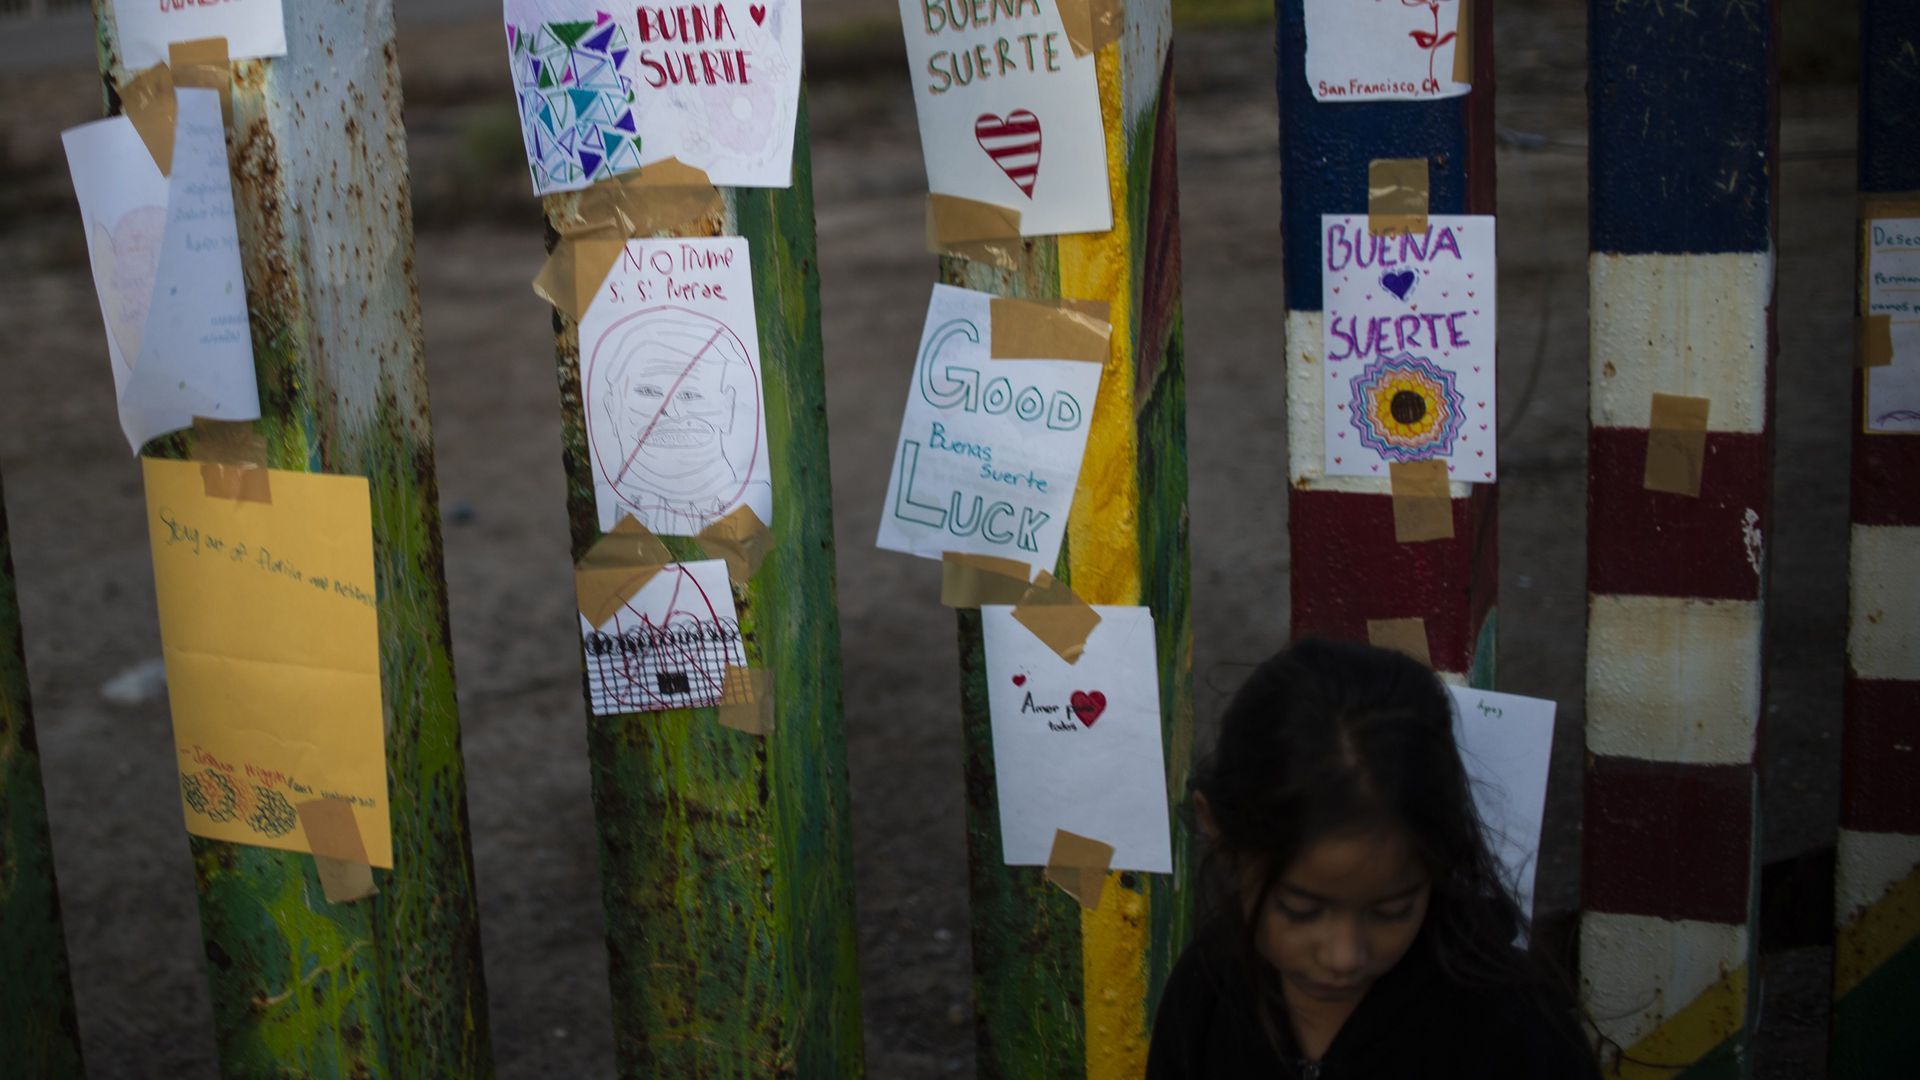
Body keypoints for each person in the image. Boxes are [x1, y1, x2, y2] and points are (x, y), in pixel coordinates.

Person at [1147, 638, 1599, 1079]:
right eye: (1300, 909)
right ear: (1219, 830)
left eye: (1391, 911)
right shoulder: (1205, 996)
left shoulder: (1515, 1033)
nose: (1344, 956)